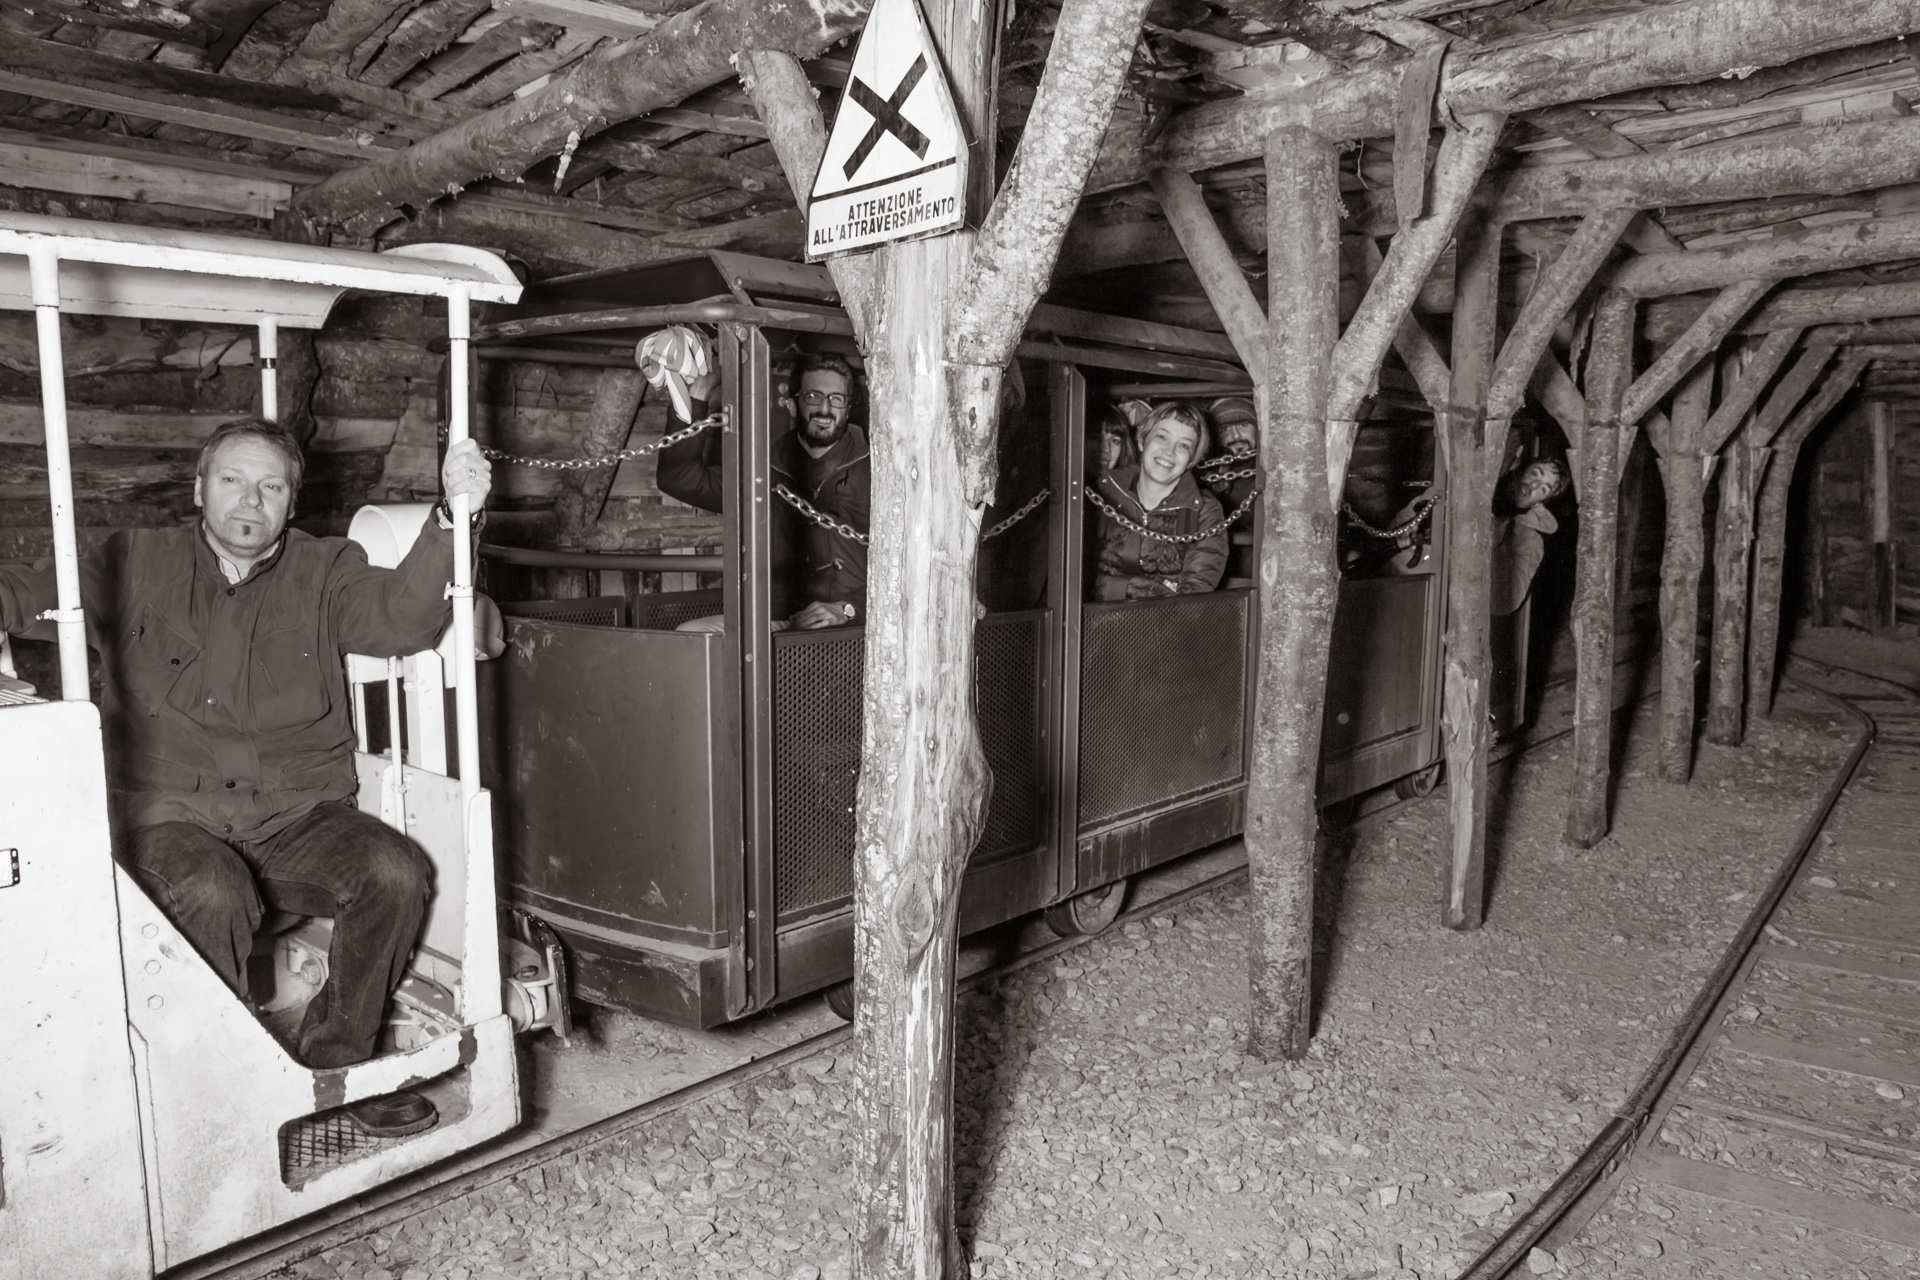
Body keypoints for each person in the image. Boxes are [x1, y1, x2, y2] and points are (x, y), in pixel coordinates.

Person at [0, 416, 495, 1138]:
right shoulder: (131, 560)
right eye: (232, 480)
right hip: (171, 817)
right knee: (210, 886)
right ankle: (211, 1096)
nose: (250, 501)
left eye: (271, 486)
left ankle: (336, 1067)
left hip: (297, 816)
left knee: (394, 870)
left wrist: (453, 517)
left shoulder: (327, 569)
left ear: (292, 503)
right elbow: (24, 590)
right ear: (200, 488)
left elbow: (400, 621)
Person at [656, 349, 869, 629]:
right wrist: (699, 392)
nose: (825, 409)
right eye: (813, 396)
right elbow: (679, 477)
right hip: (779, 622)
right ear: (792, 405)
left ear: (848, 409)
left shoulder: (877, 473)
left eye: (836, 399)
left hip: (854, 625)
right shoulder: (764, 470)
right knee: (692, 633)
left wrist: (849, 610)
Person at [1090, 401, 1228, 600]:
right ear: (1142, 441)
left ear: (1191, 460)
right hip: (1097, 622)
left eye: (1183, 445)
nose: (1169, 451)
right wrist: (1151, 589)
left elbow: (1194, 595)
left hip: (1167, 625)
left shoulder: (1204, 510)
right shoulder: (1103, 493)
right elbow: (1080, 580)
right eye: (1162, 437)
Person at [1491, 456, 1570, 616]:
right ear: (1521, 470)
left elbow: (1506, 603)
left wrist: (1502, 549)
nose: (1533, 485)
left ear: (1538, 504)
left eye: (1543, 489)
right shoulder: (1487, 479)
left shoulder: (1528, 540)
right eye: (1535, 473)